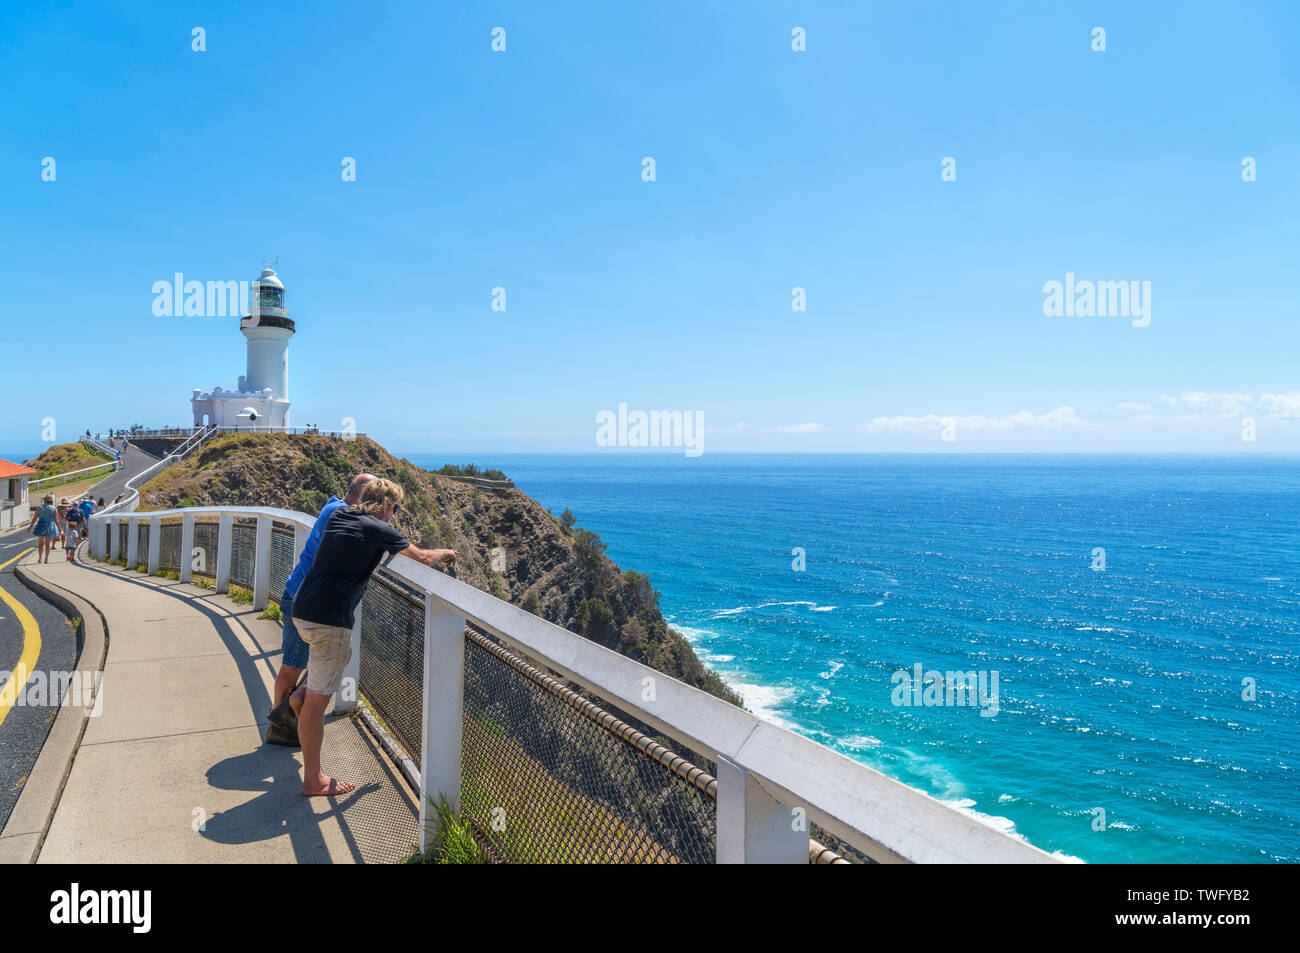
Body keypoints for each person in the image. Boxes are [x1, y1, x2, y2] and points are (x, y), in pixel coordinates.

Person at [279, 479, 456, 796]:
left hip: (303, 608)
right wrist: (446, 552)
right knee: (317, 705)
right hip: (329, 619)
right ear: (388, 506)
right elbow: (425, 558)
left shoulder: (340, 516)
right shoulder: (381, 529)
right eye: (396, 509)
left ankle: (301, 693)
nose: (394, 516)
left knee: (339, 657)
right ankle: (313, 779)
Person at [264, 472, 377, 747]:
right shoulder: (341, 513)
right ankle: (278, 726)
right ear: (363, 497)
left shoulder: (332, 505)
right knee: (292, 665)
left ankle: (287, 716)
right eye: (374, 498)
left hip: (302, 597)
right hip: (304, 600)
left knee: (332, 657)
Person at [27, 494, 64, 563]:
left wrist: (30, 527)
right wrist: (60, 528)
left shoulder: (39, 508)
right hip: (50, 525)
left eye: (44, 499)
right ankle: (46, 558)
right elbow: (56, 520)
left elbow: (35, 518)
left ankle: (40, 558)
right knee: (47, 543)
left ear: (45, 500)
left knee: (41, 543)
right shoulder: (54, 508)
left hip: (41, 526)